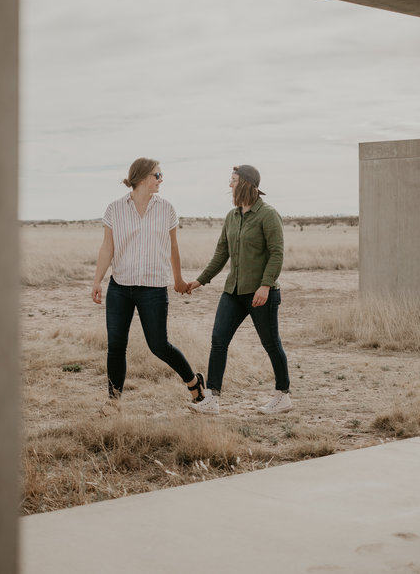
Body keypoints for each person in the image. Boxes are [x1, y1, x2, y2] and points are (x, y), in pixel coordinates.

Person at [92, 157, 205, 413]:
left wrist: (178, 280)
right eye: (157, 175)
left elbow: (173, 247)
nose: (161, 179)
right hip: (120, 287)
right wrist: (97, 280)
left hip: (153, 289)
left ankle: (194, 384)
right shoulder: (114, 209)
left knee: (159, 345)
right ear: (142, 177)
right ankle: (113, 401)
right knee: (116, 346)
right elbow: (107, 247)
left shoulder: (167, 209)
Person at [186, 165, 292, 415]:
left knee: (271, 343)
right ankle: (211, 398)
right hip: (232, 292)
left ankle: (283, 395)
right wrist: (199, 281)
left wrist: (265, 285)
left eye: (233, 180)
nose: (229, 185)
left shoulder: (268, 214)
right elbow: (221, 254)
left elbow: (277, 253)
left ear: (246, 184)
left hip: (261, 294)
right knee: (218, 341)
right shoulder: (232, 217)